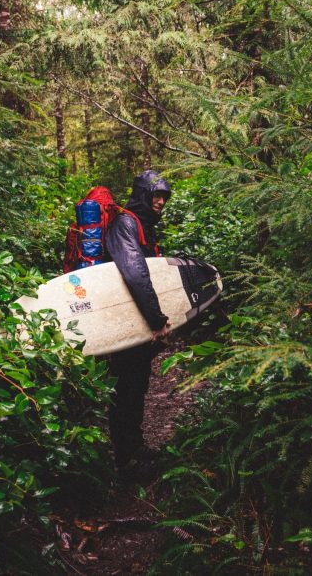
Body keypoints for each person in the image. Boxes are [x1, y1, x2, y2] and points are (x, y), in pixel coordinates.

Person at [103, 169, 172, 474]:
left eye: (163, 197)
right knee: (127, 388)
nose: (160, 202)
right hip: (122, 322)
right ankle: (126, 457)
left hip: (134, 320)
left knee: (136, 385)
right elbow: (134, 273)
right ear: (142, 195)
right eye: (156, 195)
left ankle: (134, 446)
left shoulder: (141, 226)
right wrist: (156, 319)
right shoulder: (125, 224)